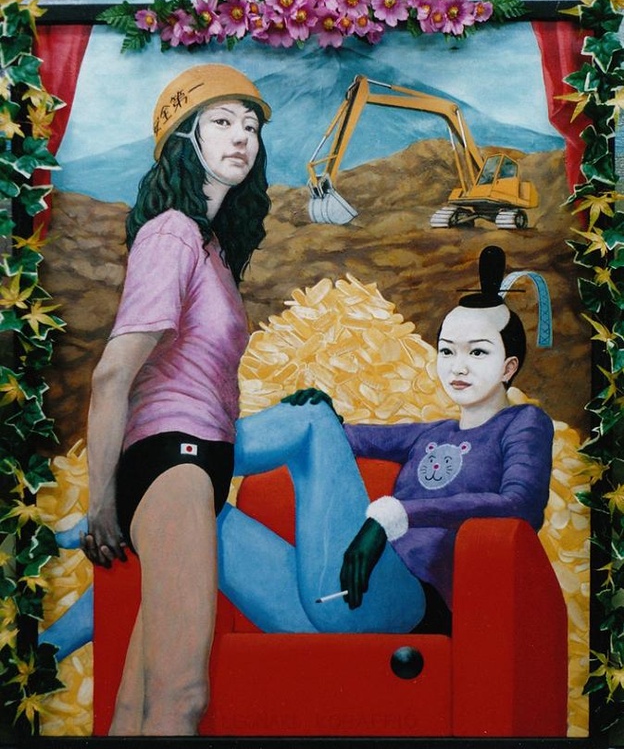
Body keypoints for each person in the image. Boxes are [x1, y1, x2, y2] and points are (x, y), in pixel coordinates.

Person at [217, 246, 554, 635]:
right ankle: (184, 465)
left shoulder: (523, 422)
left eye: (477, 352)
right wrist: (325, 413)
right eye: (447, 351)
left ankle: (198, 452)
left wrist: (394, 515)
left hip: (408, 605)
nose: (458, 366)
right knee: (200, 510)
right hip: (332, 602)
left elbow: (520, 504)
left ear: (508, 367)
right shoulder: (430, 433)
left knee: (308, 421)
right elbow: (338, 440)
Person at [80, 63, 272, 736]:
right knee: (183, 694)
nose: (241, 137)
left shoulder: (209, 244)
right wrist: (100, 503)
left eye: (250, 126)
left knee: (137, 705)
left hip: (196, 464)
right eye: (221, 122)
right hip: (174, 459)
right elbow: (112, 375)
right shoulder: (171, 233)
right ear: (183, 140)